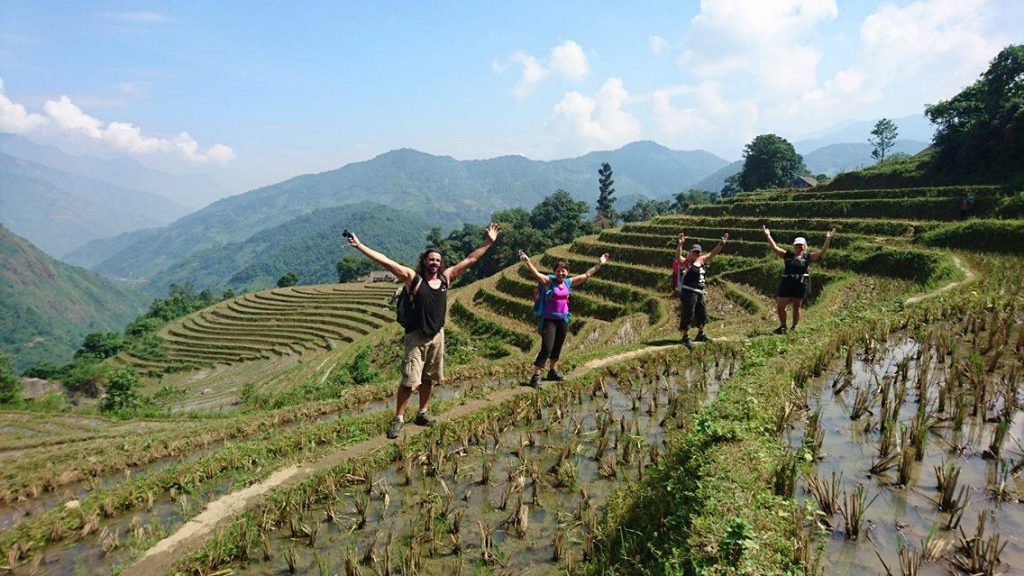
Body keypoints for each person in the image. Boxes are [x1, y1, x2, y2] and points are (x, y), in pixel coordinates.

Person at [345, 223, 501, 439]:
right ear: (424, 261)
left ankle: (422, 413)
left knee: (428, 378)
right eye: (431, 260)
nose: (435, 263)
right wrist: (360, 246)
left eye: (438, 260)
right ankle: (398, 418)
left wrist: (488, 242)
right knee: (409, 381)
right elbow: (387, 262)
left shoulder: (446, 278)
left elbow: (470, 260)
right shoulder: (413, 279)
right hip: (416, 337)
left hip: (437, 336)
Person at [520, 252, 609, 388]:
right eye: (558, 271)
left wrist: (599, 263)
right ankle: (535, 376)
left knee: (557, 347)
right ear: (554, 272)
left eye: (563, 271)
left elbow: (587, 275)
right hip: (549, 320)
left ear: (567, 272)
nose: (561, 273)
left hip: (563, 320)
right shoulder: (549, 282)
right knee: (547, 347)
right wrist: (528, 262)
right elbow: (537, 274)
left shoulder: (569, 282)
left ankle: (552, 371)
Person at [763, 226, 835, 334]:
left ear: (805, 246)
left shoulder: (807, 257)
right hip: (787, 283)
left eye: (801, 245)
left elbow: (822, 252)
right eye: (797, 245)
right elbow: (775, 247)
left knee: (796, 307)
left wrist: (828, 239)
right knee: (780, 306)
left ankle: (794, 327)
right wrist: (768, 235)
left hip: (799, 284)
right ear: (794, 246)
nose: (799, 247)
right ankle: (783, 326)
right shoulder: (787, 255)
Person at [674, 232, 728, 349]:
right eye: (694, 252)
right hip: (688, 291)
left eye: (697, 252)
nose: (696, 254)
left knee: (702, 313)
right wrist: (680, 244)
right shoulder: (686, 262)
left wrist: (721, 244)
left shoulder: (702, 260)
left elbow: (712, 253)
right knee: (688, 313)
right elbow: (678, 256)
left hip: (699, 292)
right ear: (689, 253)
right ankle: (685, 337)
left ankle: (700, 334)